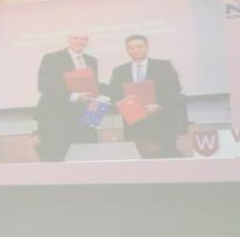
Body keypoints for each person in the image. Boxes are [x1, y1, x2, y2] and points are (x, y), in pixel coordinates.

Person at [106, 34, 186, 158]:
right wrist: (126, 105)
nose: (136, 50)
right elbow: (114, 94)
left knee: (167, 158)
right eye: (132, 48)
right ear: (127, 50)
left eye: (140, 46)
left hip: (161, 121)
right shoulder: (119, 71)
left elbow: (174, 89)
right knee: (139, 160)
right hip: (135, 124)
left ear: (147, 47)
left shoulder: (163, 65)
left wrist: (160, 105)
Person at [35, 32, 100, 162]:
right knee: (56, 158)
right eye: (76, 38)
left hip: (83, 118)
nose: (80, 41)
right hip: (56, 118)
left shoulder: (92, 60)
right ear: (68, 40)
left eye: (84, 39)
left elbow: (93, 86)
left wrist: (99, 99)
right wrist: (74, 96)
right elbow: (44, 86)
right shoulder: (52, 58)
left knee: (85, 157)